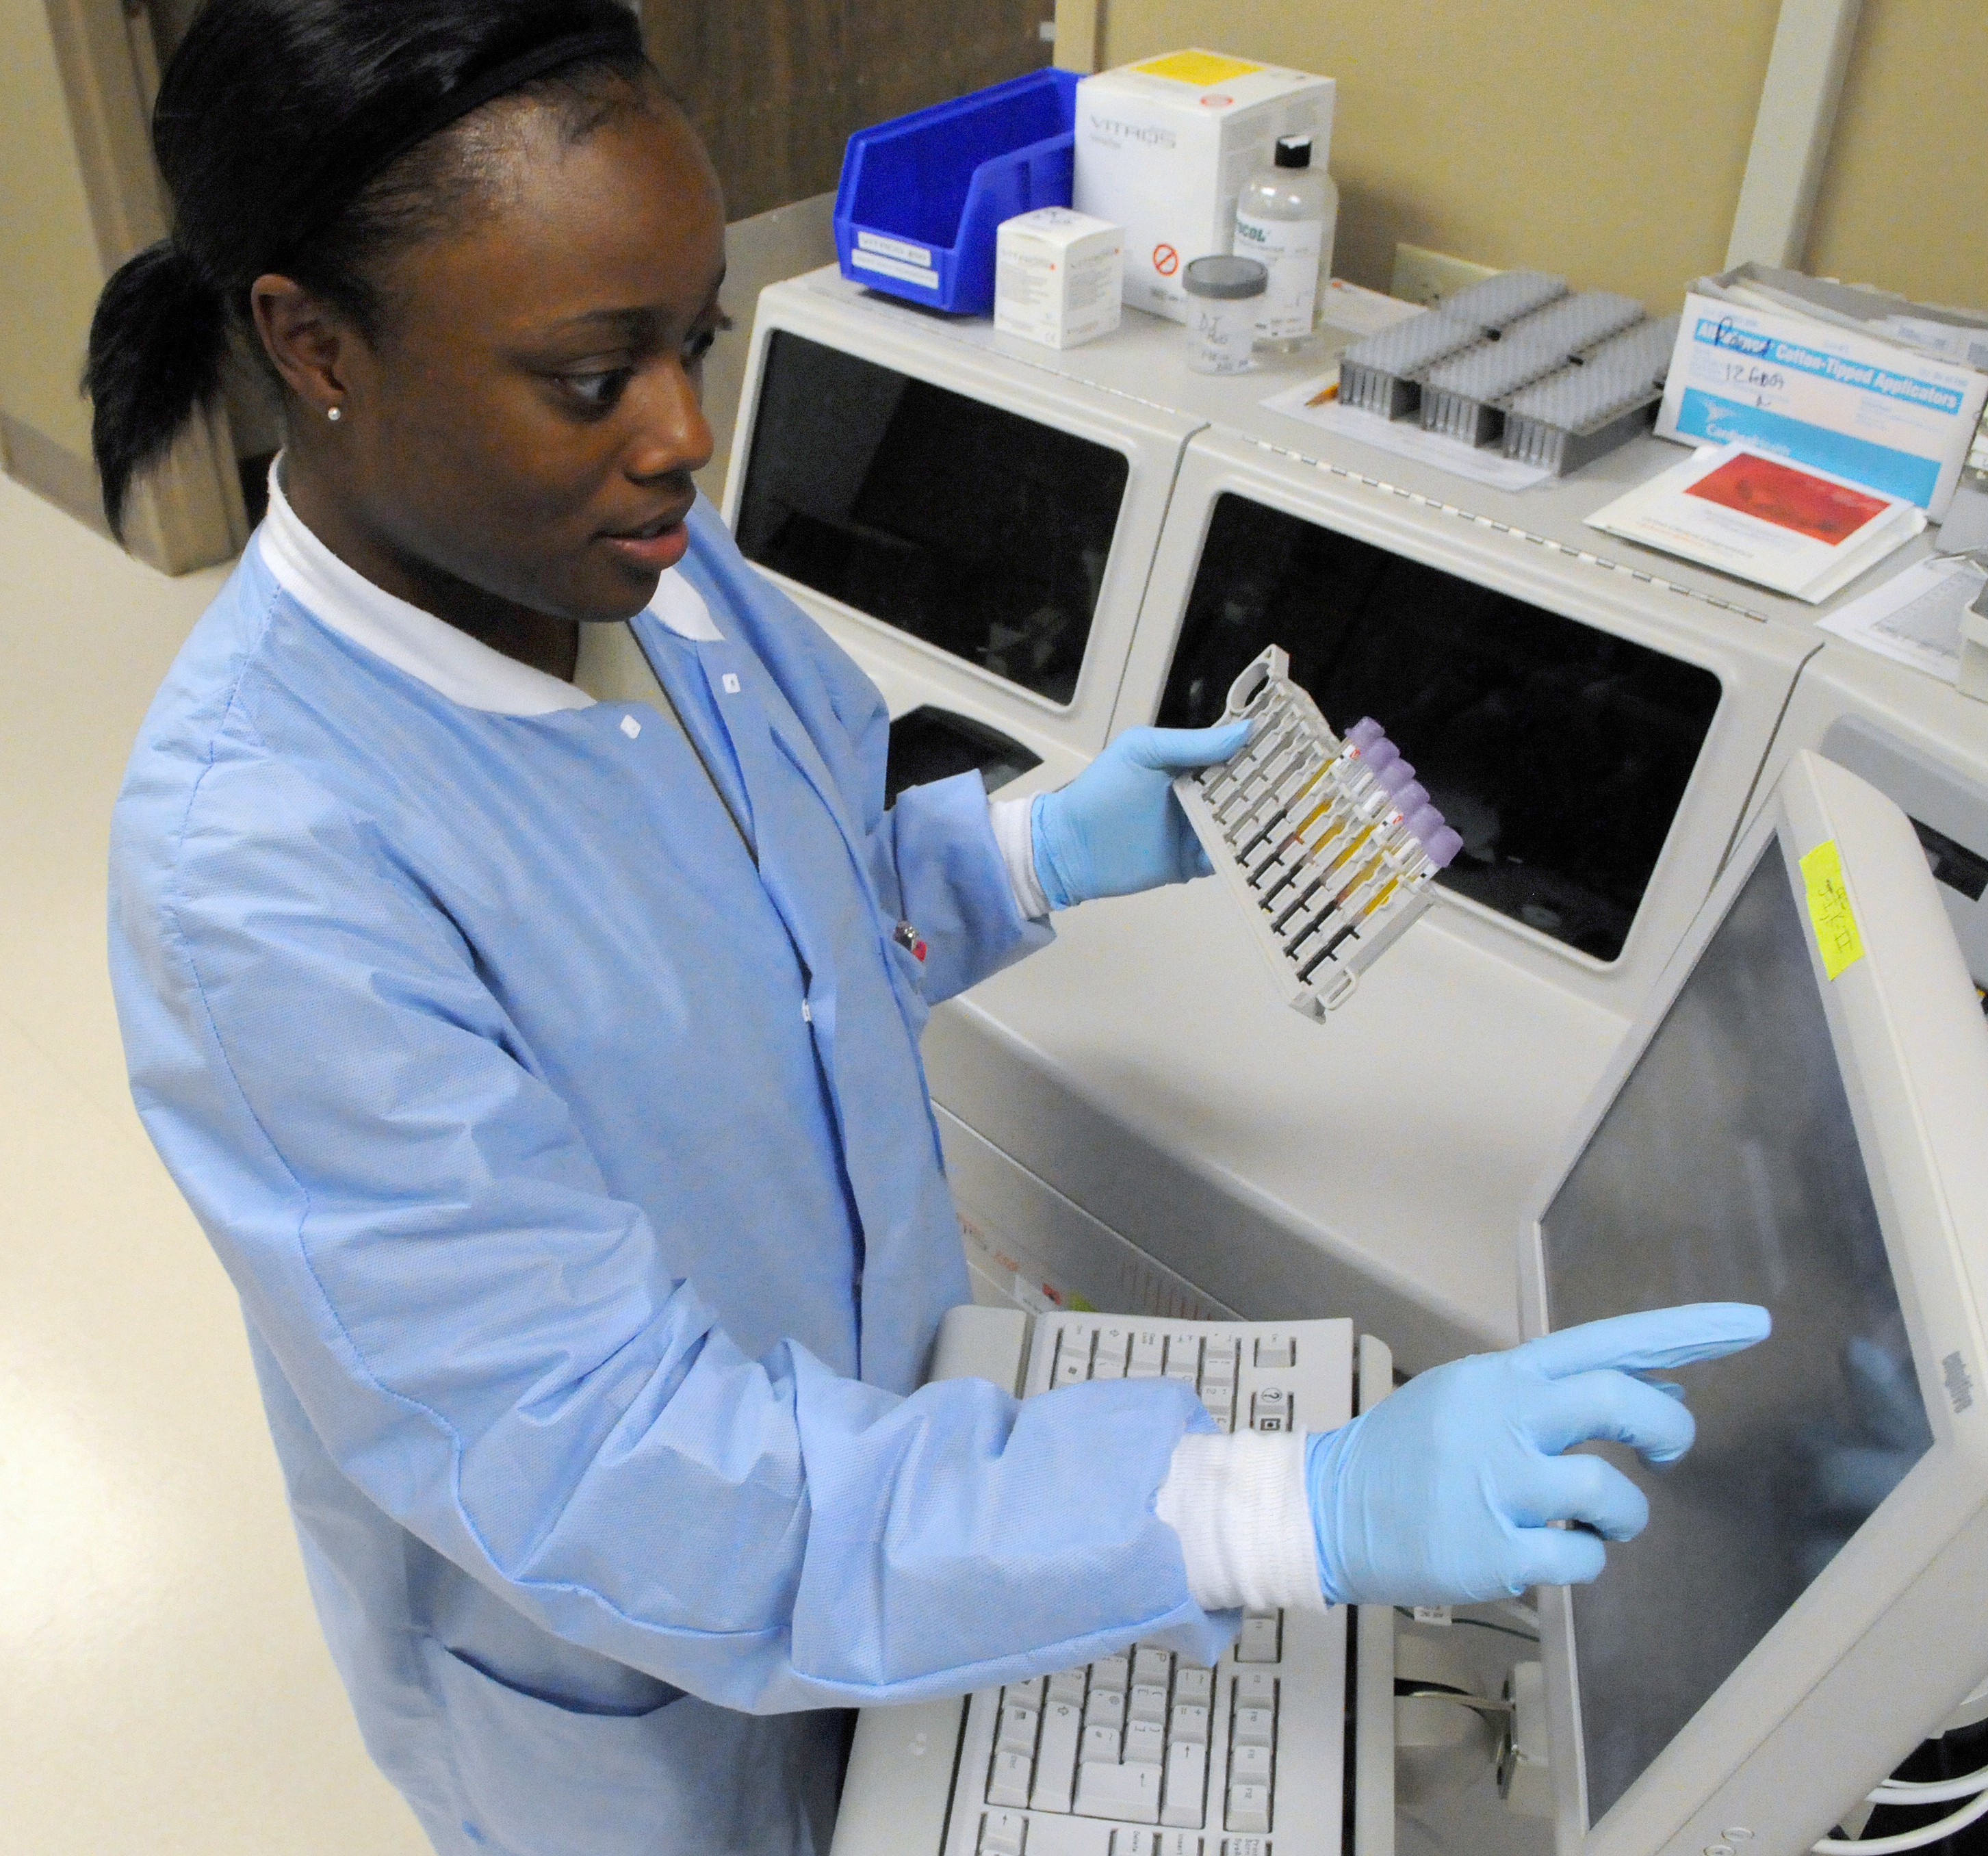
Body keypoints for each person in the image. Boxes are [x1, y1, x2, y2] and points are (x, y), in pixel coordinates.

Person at [89, 5, 1770, 1853]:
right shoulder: (265, 868)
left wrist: (1037, 854)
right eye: (590, 376)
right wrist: (1280, 1510)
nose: (682, 437)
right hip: (656, 1671)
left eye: (694, 344)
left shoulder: (645, 569)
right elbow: (618, 1474)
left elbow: (775, 927)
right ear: (314, 343)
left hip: (906, 1474)